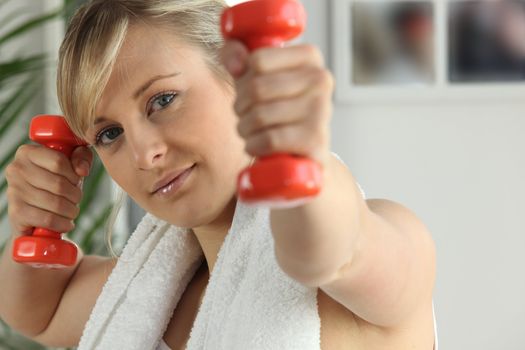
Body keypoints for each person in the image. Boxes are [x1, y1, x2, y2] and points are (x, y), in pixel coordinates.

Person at [0, 0, 437, 349]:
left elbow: (331, 249)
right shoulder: (146, 291)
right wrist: (35, 225)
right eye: (110, 133)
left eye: (163, 100)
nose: (144, 154)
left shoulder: (393, 246)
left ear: (240, 74)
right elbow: (38, 312)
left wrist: (299, 159)